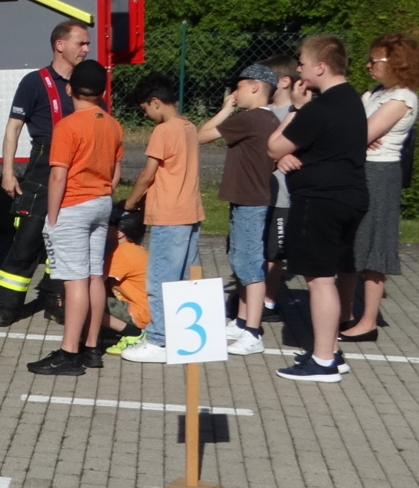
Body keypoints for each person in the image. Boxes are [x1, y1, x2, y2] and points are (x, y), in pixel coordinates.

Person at [269, 34, 370, 382]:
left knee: (319, 280)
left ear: (321, 67)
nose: (299, 68)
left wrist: (296, 108)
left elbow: (273, 146)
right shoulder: (352, 101)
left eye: (303, 63)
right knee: (333, 272)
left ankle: (323, 359)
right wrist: (291, 157)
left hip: (320, 199)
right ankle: (332, 351)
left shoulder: (319, 108)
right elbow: (321, 146)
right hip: (351, 195)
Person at [0, 21, 90, 327]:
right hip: (44, 163)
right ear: (60, 45)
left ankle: (54, 299)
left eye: (87, 44)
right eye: (81, 43)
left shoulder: (88, 82)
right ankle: (9, 305)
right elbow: (13, 129)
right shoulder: (35, 82)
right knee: (28, 237)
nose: (86, 49)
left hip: (79, 163)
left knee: (67, 238)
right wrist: (8, 172)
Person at [26, 60, 122, 376]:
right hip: (102, 202)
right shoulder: (112, 124)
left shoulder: (67, 126)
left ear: (69, 89)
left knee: (74, 279)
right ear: (102, 92)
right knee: (96, 276)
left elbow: (58, 176)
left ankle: (69, 353)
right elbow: (116, 172)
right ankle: (92, 347)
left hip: (73, 206)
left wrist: (52, 217)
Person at [338, 33, 419, 342]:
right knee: (349, 243)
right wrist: (356, 133)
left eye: (375, 60)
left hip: (380, 174)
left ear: (396, 63)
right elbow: (349, 129)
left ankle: (368, 321)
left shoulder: (403, 97)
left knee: (374, 245)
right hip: (357, 169)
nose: (369, 65)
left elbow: (359, 134)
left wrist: (357, 134)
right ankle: (344, 313)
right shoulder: (372, 93)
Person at [197, 64, 282, 356]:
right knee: (243, 262)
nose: (236, 92)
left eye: (241, 86)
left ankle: (253, 332)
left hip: (249, 202)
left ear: (256, 87)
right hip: (250, 199)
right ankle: (242, 321)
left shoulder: (250, 119)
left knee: (249, 266)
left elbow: (200, 135)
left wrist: (225, 109)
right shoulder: (268, 118)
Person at [119, 81, 204, 364]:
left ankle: (158, 339)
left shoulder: (163, 130)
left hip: (168, 216)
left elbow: (147, 173)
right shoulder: (189, 127)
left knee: (159, 279)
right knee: (184, 280)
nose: (145, 115)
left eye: (145, 109)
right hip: (191, 212)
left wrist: (130, 203)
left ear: (155, 101)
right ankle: (183, 335)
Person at [260, 56, 299, 317]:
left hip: (283, 197)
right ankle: (249, 300)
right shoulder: (260, 112)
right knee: (254, 248)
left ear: (284, 81)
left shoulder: (298, 113)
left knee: (275, 252)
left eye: (266, 79)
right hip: (256, 195)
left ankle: (268, 302)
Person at [103, 206, 151, 353]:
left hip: (138, 312)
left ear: (119, 233)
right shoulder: (133, 249)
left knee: (81, 303)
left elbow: (97, 282)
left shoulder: (122, 253)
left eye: (107, 225)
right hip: (147, 310)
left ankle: (133, 333)